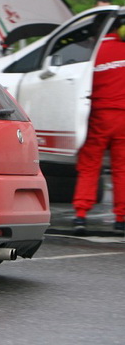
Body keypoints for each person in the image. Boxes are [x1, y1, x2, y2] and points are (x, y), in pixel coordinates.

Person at [72, 21, 125, 236]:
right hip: (123, 117)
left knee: (90, 166)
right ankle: (121, 219)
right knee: (122, 169)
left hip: (99, 117)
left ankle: (81, 215)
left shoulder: (94, 52)